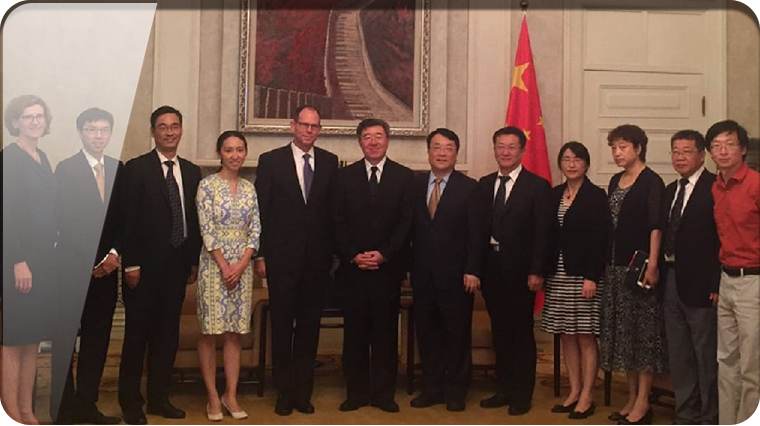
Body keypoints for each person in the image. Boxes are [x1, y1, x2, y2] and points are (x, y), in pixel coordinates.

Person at [118, 106, 202, 425]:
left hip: (177, 269)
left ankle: (159, 399)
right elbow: (128, 219)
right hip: (142, 270)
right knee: (136, 338)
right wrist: (131, 263)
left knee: (167, 338)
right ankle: (130, 402)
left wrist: (192, 261)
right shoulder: (136, 168)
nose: (169, 132)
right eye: (163, 127)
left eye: (175, 126)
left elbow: (192, 220)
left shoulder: (192, 171)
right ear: (152, 131)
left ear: (181, 130)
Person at [253, 105, 338, 416]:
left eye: (314, 126)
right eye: (304, 125)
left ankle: (303, 392)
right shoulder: (271, 161)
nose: (309, 131)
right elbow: (261, 211)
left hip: (317, 262)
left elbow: (333, 212)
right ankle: (284, 392)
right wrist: (261, 254)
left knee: (309, 328)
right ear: (292, 126)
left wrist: (334, 255)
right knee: (281, 326)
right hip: (281, 260)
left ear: (320, 130)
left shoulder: (329, 162)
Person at [333, 118, 415, 413]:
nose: (373, 141)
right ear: (360, 142)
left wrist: (384, 254)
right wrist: (353, 255)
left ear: (387, 140)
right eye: (367, 136)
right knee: (354, 335)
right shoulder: (344, 177)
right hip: (353, 271)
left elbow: (406, 223)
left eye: (378, 136)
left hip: (387, 271)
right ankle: (356, 393)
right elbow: (337, 222)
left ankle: (383, 394)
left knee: (385, 334)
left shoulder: (405, 177)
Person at [53, 108, 124, 425]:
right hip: (71, 269)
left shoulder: (118, 168)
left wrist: (113, 254)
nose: (98, 135)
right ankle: (63, 407)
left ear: (110, 134)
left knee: (97, 339)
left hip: (107, 272)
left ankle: (87, 404)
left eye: (104, 130)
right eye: (92, 129)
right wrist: (91, 261)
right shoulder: (65, 169)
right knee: (65, 340)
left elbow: (124, 217)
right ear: (81, 132)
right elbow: (64, 220)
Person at [477, 126, 552, 416]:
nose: (505, 152)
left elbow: (543, 233)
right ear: (494, 149)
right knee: (500, 332)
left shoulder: (537, 186)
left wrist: (537, 271)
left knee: (521, 333)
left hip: (522, 273)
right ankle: (504, 388)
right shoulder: (484, 184)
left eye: (511, 147)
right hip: (491, 270)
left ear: (522, 150)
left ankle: (522, 394)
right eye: (500, 146)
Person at [409, 128, 483, 412]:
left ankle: (456, 391)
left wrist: (473, 269)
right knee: (427, 335)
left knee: (457, 335)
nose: (442, 153)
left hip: (457, 277)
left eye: (448, 148)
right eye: (437, 147)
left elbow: (477, 234)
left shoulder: (470, 187)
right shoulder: (415, 184)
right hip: (422, 275)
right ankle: (432, 389)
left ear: (456, 153)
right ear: (428, 152)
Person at [601, 124, 667, 426]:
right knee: (624, 337)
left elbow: (656, 227)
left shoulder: (652, 181)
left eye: (623, 147)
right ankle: (630, 398)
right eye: (614, 147)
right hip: (616, 269)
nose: (617, 153)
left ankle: (644, 401)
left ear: (638, 148)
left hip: (640, 269)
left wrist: (652, 264)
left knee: (643, 337)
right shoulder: (616, 180)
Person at [196, 130, 261, 421]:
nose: (235, 155)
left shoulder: (249, 188)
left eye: (239, 150)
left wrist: (243, 263)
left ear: (245, 153)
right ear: (220, 153)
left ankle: (230, 395)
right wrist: (224, 266)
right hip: (214, 266)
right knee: (210, 331)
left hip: (242, 268)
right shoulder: (206, 186)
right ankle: (212, 395)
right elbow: (206, 229)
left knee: (235, 332)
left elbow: (256, 229)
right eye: (229, 150)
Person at [542, 141, 609, 420]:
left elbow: (601, 239)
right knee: (566, 335)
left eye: (577, 159)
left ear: (586, 164)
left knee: (585, 337)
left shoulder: (596, 196)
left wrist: (592, 276)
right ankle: (574, 390)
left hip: (584, 277)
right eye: (566, 159)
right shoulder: (554, 194)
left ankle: (587, 396)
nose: (571, 164)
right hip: (557, 275)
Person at [1, 95, 57, 425]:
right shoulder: (9, 158)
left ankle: (26, 410)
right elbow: (7, 215)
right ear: (15, 122)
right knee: (13, 341)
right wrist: (18, 260)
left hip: (43, 259)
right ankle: (10, 414)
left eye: (39, 116)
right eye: (28, 116)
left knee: (32, 339)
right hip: (18, 262)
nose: (35, 121)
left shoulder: (42, 157)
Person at [659, 130, 720, 425]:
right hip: (670, 280)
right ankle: (686, 414)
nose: (679, 157)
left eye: (686, 151)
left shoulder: (715, 187)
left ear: (702, 155)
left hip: (702, 285)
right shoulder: (671, 189)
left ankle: (709, 416)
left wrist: (716, 283)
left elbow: (721, 239)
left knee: (705, 354)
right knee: (679, 353)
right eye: (675, 151)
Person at [707, 120, 760, 425]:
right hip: (726, 278)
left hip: (754, 280)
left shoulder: (755, 184)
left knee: (752, 366)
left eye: (729, 144)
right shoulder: (716, 186)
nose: (723, 151)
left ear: (743, 149)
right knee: (726, 361)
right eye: (716, 146)